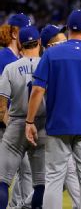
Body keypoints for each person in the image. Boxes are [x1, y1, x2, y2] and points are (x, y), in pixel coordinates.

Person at [25, 10, 81, 209]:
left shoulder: (52, 53)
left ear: (68, 29)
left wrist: (29, 121)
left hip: (59, 124)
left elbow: (37, 89)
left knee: (54, 177)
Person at [0, 25, 46, 209]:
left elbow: (1, 104)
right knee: (41, 184)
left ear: (19, 44)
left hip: (17, 124)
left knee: (3, 181)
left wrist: (9, 124)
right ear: (40, 42)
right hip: (42, 127)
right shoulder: (48, 64)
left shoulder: (11, 68)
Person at [39, 24, 80, 209]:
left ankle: (23, 205)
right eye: (61, 41)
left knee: (60, 176)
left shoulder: (54, 62)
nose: (66, 43)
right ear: (49, 46)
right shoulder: (48, 63)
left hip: (56, 125)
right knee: (60, 175)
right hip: (49, 126)